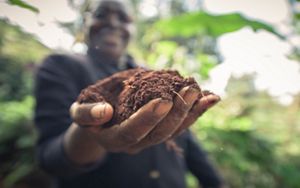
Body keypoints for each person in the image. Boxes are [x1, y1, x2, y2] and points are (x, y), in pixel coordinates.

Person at [34, 1, 224, 188]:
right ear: (86, 22)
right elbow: (50, 159)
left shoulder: (154, 74)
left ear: (133, 28)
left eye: (123, 18)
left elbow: (186, 141)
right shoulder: (61, 66)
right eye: (101, 15)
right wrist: (89, 135)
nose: (113, 23)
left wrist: (215, 183)